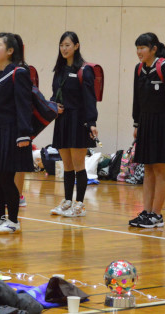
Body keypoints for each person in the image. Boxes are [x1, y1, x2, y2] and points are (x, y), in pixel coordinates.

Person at [0, 33, 34, 234]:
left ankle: (13, 220)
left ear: (10, 51)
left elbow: (24, 105)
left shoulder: (19, 73)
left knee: (6, 178)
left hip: (11, 132)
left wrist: (24, 134)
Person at [128, 33, 165, 228]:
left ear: (154, 49)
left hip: (163, 124)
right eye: (137, 48)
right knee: (148, 169)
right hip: (145, 123)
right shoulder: (139, 69)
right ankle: (147, 212)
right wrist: (136, 123)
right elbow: (136, 99)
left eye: (143, 48)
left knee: (159, 170)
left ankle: (157, 215)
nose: (139, 52)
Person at [49, 31, 99, 217]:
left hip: (78, 120)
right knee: (67, 165)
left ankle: (80, 205)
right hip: (62, 121)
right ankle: (67, 201)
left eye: (67, 45)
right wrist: (53, 106)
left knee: (79, 165)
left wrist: (92, 122)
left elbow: (90, 99)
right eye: (61, 45)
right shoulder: (59, 70)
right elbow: (55, 94)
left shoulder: (84, 70)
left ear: (76, 46)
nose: (64, 48)